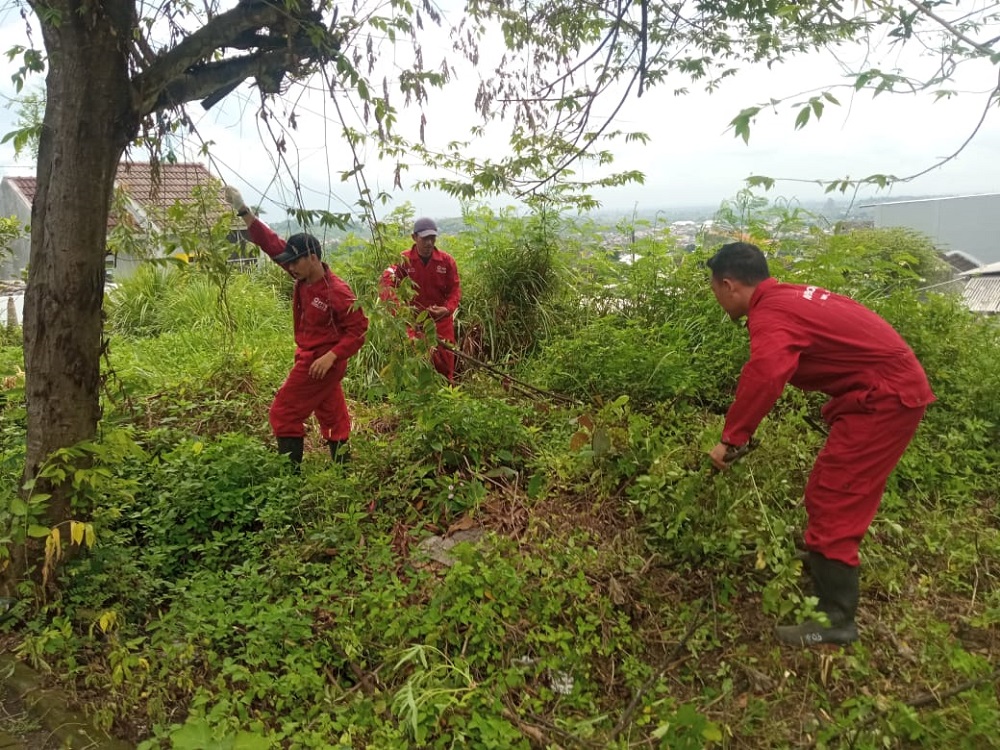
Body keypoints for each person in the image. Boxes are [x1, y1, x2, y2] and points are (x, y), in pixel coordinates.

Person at [706, 242, 934, 647]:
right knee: (826, 489)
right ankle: (824, 576)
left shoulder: (772, 314)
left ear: (728, 285)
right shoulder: (787, 296)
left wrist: (732, 437)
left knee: (835, 497)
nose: (716, 297)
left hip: (886, 399)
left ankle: (836, 621)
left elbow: (766, 372)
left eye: (714, 289)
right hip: (882, 391)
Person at [225, 186, 368, 467]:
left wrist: (331, 357)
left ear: (312, 258)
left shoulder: (337, 291)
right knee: (331, 412)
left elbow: (359, 330)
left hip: (322, 361)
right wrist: (243, 211)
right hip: (311, 357)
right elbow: (271, 243)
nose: (290, 268)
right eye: (288, 263)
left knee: (284, 412)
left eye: (295, 262)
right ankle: (345, 470)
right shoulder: (302, 275)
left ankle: (290, 481)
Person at [379, 217, 461, 381]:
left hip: (441, 323)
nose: (429, 243)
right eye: (425, 238)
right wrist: (401, 313)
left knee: (444, 368)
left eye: (432, 238)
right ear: (414, 237)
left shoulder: (446, 261)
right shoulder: (404, 260)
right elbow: (386, 285)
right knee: (416, 367)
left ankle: (448, 403)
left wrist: (447, 309)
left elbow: (455, 290)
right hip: (413, 324)